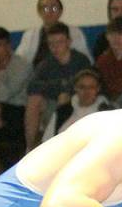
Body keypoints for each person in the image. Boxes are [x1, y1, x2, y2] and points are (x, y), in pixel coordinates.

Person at [24, 22, 92, 151]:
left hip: (78, 104)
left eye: (59, 42)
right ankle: (30, 148)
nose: (55, 47)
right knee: (34, 100)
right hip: (53, 102)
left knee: (65, 98)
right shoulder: (46, 64)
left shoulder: (81, 61)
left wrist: (61, 90)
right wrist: (60, 86)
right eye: (51, 44)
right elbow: (32, 86)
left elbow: (84, 84)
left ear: (69, 42)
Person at [15, 0, 93, 68]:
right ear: (39, 12)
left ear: (61, 11)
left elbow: (85, 59)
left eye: (54, 8)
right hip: (38, 76)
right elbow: (19, 59)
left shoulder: (74, 33)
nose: (50, 12)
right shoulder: (30, 35)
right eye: (45, 8)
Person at [43, 70, 111, 142]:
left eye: (91, 87)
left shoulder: (107, 113)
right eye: (82, 87)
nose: (86, 92)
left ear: (98, 89)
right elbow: (47, 140)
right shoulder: (62, 112)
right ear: (75, 88)